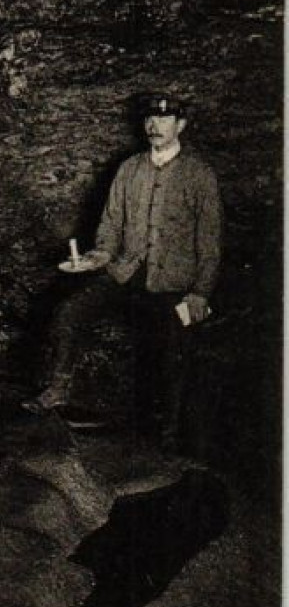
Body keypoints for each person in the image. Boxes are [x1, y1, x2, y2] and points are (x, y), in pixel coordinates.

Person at [27, 93, 223, 448]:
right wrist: (97, 256)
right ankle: (57, 389)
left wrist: (200, 294)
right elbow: (110, 224)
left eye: (164, 120)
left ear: (180, 126)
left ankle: (165, 439)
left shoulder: (199, 175)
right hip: (126, 273)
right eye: (150, 119)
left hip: (173, 284)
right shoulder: (130, 169)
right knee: (71, 312)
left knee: (171, 349)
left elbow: (210, 244)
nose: (154, 126)